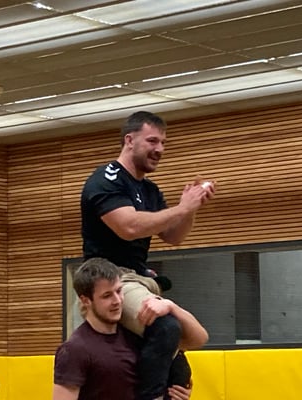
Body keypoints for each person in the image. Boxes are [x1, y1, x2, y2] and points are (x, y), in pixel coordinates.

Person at [81, 111, 215, 399]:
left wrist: (190, 209)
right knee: (165, 327)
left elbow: (174, 236)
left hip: (140, 279)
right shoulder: (106, 179)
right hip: (110, 277)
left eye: (164, 143)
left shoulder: (150, 190)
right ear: (129, 140)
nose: (160, 149)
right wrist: (181, 208)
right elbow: (129, 227)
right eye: (153, 141)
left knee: (180, 367)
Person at [53, 258, 206, 400]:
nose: (117, 300)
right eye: (107, 296)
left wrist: (170, 306)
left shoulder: (136, 335)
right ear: (86, 300)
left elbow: (199, 339)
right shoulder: (75, 350)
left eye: (119, 291)